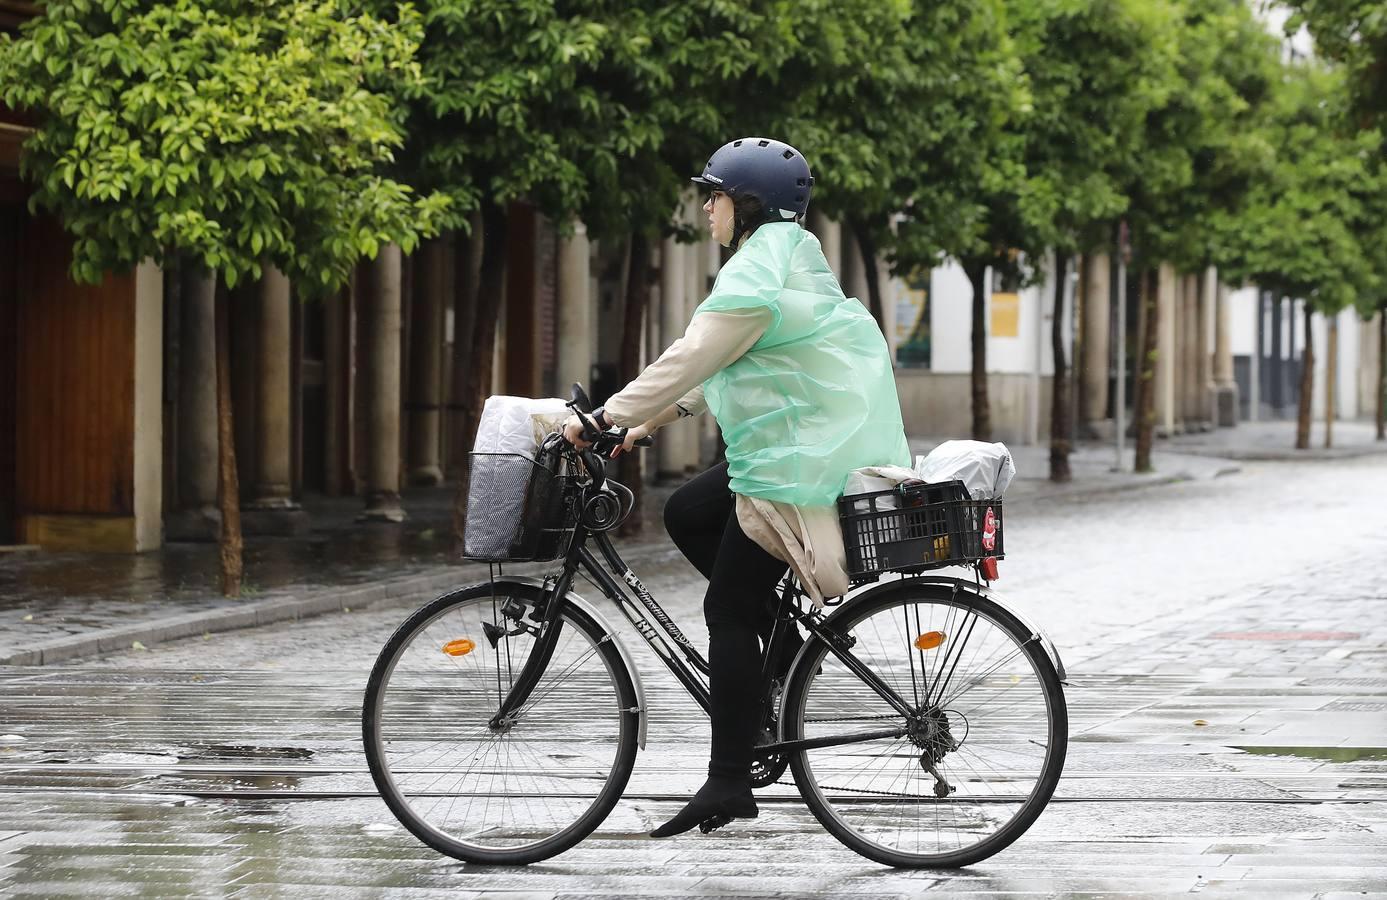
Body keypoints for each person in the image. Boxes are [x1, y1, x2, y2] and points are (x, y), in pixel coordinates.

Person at [562, 137, 909, 838]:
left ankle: (727, 781)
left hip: (796, 459)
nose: (707, 208)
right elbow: (727, 364)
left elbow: (694, 353)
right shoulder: (784, 257)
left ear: (745, 205)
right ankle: (776, 652)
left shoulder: (757, 271)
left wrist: (607, 416)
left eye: (714, 196)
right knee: (688, 510)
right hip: (802, 448)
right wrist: (644, 424)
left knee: (726, 608)